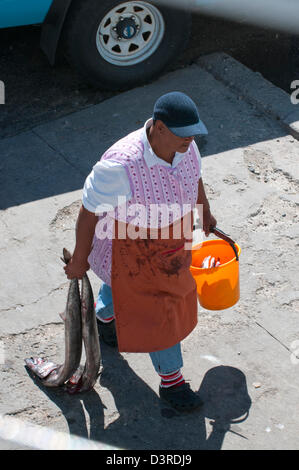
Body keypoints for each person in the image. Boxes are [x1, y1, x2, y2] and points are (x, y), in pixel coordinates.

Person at [64, 91, 217, 412]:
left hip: (173, 242)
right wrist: (79, 261)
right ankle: (172, 382)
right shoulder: (118, 166)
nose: (191, 141)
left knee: (130, 296)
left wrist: (205, 212)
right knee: (160, 313)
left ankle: (103, 317)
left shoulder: (185, 147)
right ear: (159, 128)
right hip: (131, 250)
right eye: (183, 134)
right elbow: (88, 212)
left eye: (193, 134)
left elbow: (195, 179)